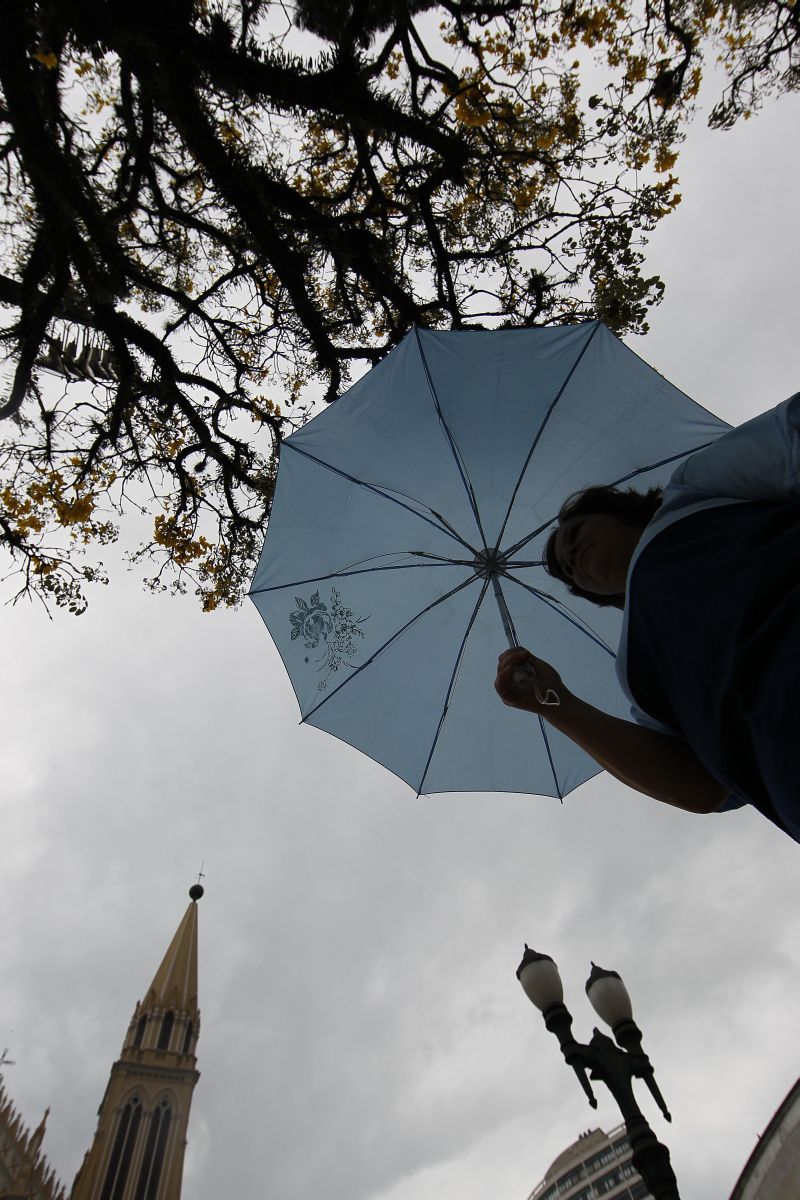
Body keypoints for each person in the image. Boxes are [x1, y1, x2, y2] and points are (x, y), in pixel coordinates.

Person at [494, 392, 800, 843]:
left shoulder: (696, 492)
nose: (573, 554)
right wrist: (553, 702)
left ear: (619, 512)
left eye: (575, 534)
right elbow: (703, 788)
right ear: (594, 594)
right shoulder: (635, 672)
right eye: (568, 570)